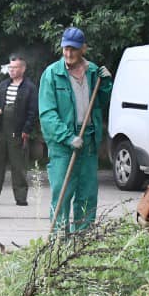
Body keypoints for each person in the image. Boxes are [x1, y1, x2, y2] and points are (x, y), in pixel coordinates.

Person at [38, 27, 113, 233]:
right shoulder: (52, 74)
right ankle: (59, 242)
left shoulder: (92, 72)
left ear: (83, 49)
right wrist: (67, 137)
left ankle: (83, 239)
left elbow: (101, 102)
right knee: (62, 192)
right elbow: (47, 114)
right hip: (64, 145)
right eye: (65, 49)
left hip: (88, 140)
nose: (68, 54)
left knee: (87, 194)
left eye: (73, 49)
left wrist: (105, 83)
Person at [0, 53, 39, 205]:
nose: (12, 70)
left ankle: (21, 198)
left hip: (18, 130)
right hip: (1, 129)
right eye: (10, 67)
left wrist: (26, 130)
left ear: (23, 69)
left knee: (19, 165)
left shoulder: (30, 87)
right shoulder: (3, 85)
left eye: (15, 68)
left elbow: (32, 111)